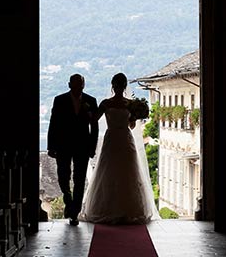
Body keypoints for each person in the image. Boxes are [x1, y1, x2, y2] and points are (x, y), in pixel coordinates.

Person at [79, 73, 159, 224]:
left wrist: (135, 117)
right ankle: (113, 209)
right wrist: (86, 109)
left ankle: (124, 209)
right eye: (117, 85)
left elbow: (132, 124)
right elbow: (94, 119)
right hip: (113, 139)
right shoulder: (111, 104)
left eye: (120, 85)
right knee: (111, 171)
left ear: (120, 86)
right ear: (114, 86)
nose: (118, 88)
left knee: (127, 172)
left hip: (124, 138)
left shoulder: (125, 104)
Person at [47, 74, 99, 225]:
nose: (78, 87)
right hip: (63, 145)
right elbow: (53, 124)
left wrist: (92, 147)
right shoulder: (59, 100)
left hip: (82, 145)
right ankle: (68, 199)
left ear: (84, 85)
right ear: (69, 84)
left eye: (80, 84)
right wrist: (51, 146)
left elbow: (94, 127)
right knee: (63, 176)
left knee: (80, 179)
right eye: (75, 84)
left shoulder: (91, 100)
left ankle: (74, 212)